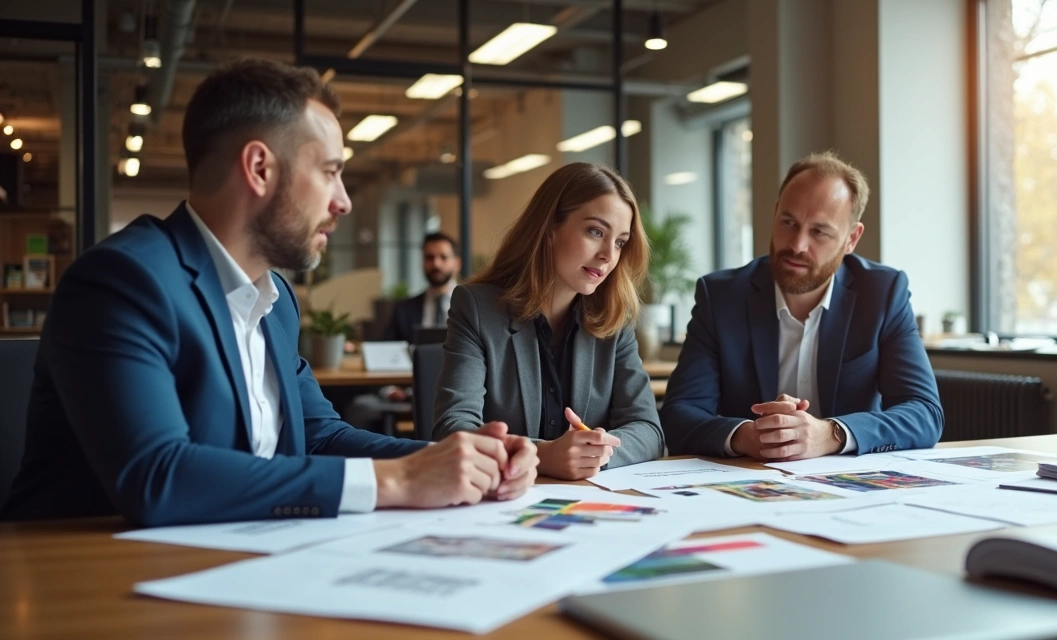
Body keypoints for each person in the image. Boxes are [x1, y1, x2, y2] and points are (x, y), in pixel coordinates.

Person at [0, 58, 536, 526]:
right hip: (85, 582)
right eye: (330, 172)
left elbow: (319, 435)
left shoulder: (273, 299)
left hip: (233, 563)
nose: (344, 202)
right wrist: (396, 481)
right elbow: (157, 476)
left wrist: (461, 458)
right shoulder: (123, 282)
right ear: (259, 168)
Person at [661, 151, 943, 460]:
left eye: (819, 231)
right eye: (788, 222)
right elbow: (679, 415)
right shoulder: (721, 297)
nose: (797, 244)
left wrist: (831, 433)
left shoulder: (882, 293)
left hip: (848, 485)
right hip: (749, 479)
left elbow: (924, 414)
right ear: (774, 214)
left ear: (851, 239)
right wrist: (745, 436)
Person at [432, 162, 664, 480]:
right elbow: (453, 429)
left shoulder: (614, 317)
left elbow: (649, 430)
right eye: (596, 232)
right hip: (501, 503)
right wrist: (543, 455)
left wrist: (592, 455)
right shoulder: (477, 308)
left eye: (620, 241)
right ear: (551, 228)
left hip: (587, 504)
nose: (609, 254)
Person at [385, 232, 461, 345]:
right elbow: (388, 350)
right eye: (430, 258)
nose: (436, 264)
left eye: (443, 257)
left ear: (457, 264)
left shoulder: (472, 308)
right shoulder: (403, 310)